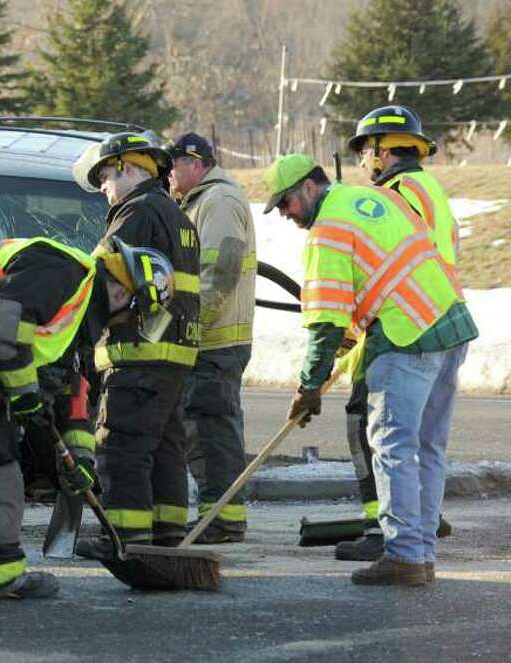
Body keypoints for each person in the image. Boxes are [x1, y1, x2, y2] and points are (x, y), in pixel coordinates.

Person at [0, 235, 175, 599]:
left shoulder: (79, 318)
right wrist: (23, 391)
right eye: (134, 315)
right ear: (122, 293)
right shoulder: (64, 270)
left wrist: (81, 459)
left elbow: (74, 394)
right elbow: (6, 326)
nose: (126, 327)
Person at [264, 153, 477, 586]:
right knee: (427, 447)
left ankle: (402, 555)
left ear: (308, 187)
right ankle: (420, 553)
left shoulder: (327, 232)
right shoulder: (375, 198)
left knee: (393, 446)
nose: (284, 214)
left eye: (285, 203)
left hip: (407, 337)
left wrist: (308, 388)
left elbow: (326, 324)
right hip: (451, 323)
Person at [335, 105, 460, 562]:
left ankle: (389, 532)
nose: (364, 160)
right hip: (443, 321)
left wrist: (348, 336)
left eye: (366, 150)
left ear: (382, 151)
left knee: (381, 433)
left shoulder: (395, 195)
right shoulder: (431, 190)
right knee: (426, 442)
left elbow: (379, 266)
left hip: (404, 327)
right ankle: (420, 529)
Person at [71, 131, 201, 547]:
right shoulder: (179, 217)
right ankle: (167, 536)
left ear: (128, 168)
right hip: (174, 357)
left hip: (138, 354)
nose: (104, 189)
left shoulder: (135, 213)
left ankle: (125, 537)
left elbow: (102, 278)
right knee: (164, 449)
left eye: (105, 177)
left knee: (122, 447)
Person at [165, 132, 256, 543]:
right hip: (209, 339)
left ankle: (222, 520)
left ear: (195, 164)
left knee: (212, 433)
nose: (168, 175)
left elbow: (219, 273)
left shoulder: (218, 202)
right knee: (201, 432)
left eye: (174, 166)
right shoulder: (200, 202)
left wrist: (188, 328)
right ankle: (217, 517)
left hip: (215, 341)